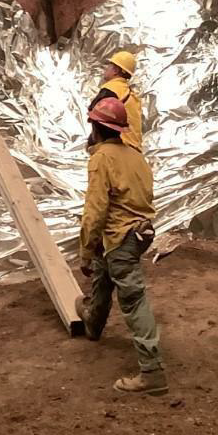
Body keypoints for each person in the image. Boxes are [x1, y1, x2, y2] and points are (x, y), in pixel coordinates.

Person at [74, 96, 166, 395]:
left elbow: (95, 210)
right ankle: (92, 322)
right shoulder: (136, 156)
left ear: (97, 127)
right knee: (104, 269)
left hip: (122, 236)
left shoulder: (102, 159)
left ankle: (151, 372)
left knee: (133, 298)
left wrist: (86, 251)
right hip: (139, 233)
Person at [88, 51, 142, 151]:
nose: (106, 69)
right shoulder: (129, 93)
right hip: (134, 148)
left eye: (109, 66)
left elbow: (94, 114)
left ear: (116, 70)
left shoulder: (111, 88)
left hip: (120, 145)